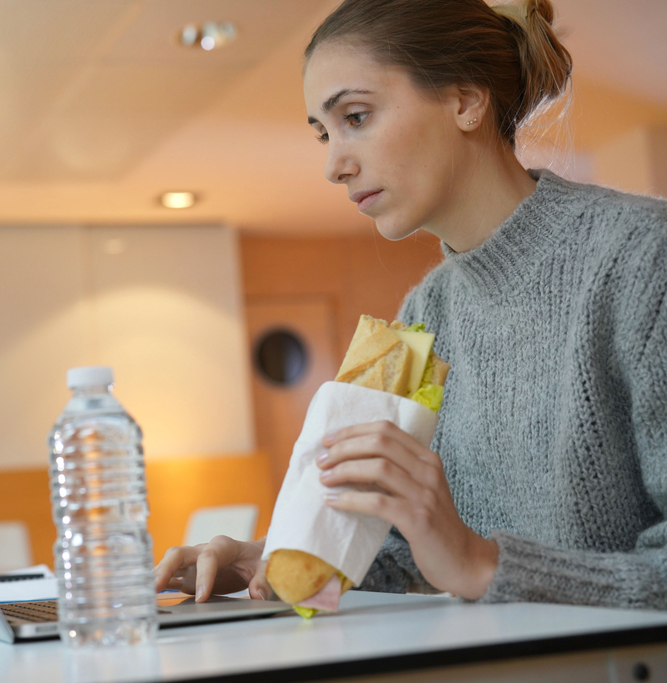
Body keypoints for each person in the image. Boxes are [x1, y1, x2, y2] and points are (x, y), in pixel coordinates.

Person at [155, 0, 667, 609]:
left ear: (466, 100)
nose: (333, 165)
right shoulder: (423, 316)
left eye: (357, 116)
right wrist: (275, 557)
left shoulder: (644, 258)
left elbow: (464, 562)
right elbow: (412, 552)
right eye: (324, 132)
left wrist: (483, 564)